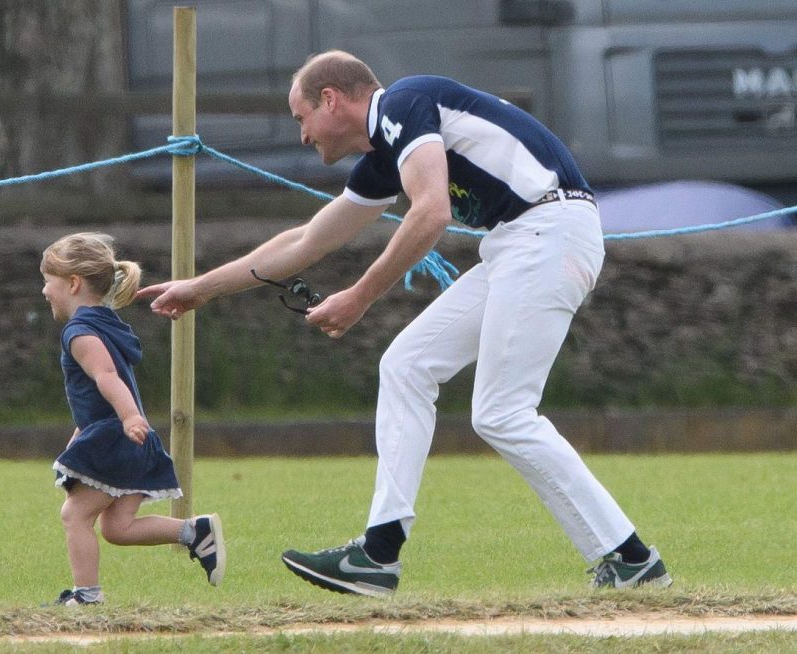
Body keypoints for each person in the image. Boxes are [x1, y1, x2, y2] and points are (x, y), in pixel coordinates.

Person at [137, 51, 671, 596]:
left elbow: (431, 212)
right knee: (407, 366)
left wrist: (360, 296)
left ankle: (629, 559)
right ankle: (380, 551)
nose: (301, 136)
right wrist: (197, 289)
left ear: (331, 99)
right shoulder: (387, 152)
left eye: (301, 118)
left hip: (548, 233)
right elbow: (304, 241)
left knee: (502, 412)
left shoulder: (404, 103)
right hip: (524, 240)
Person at [40, 232, 225, 606]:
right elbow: (100, 392)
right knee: (117, 528)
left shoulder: (79, 332)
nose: (44, 291)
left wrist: (128, 418)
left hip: (119, 437)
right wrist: (84, 433)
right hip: (124, 438)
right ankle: (194, 532)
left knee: (74, 515)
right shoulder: (106, 322)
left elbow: (107, 377)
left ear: (73, 283)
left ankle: (87, 597)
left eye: (48, 281)